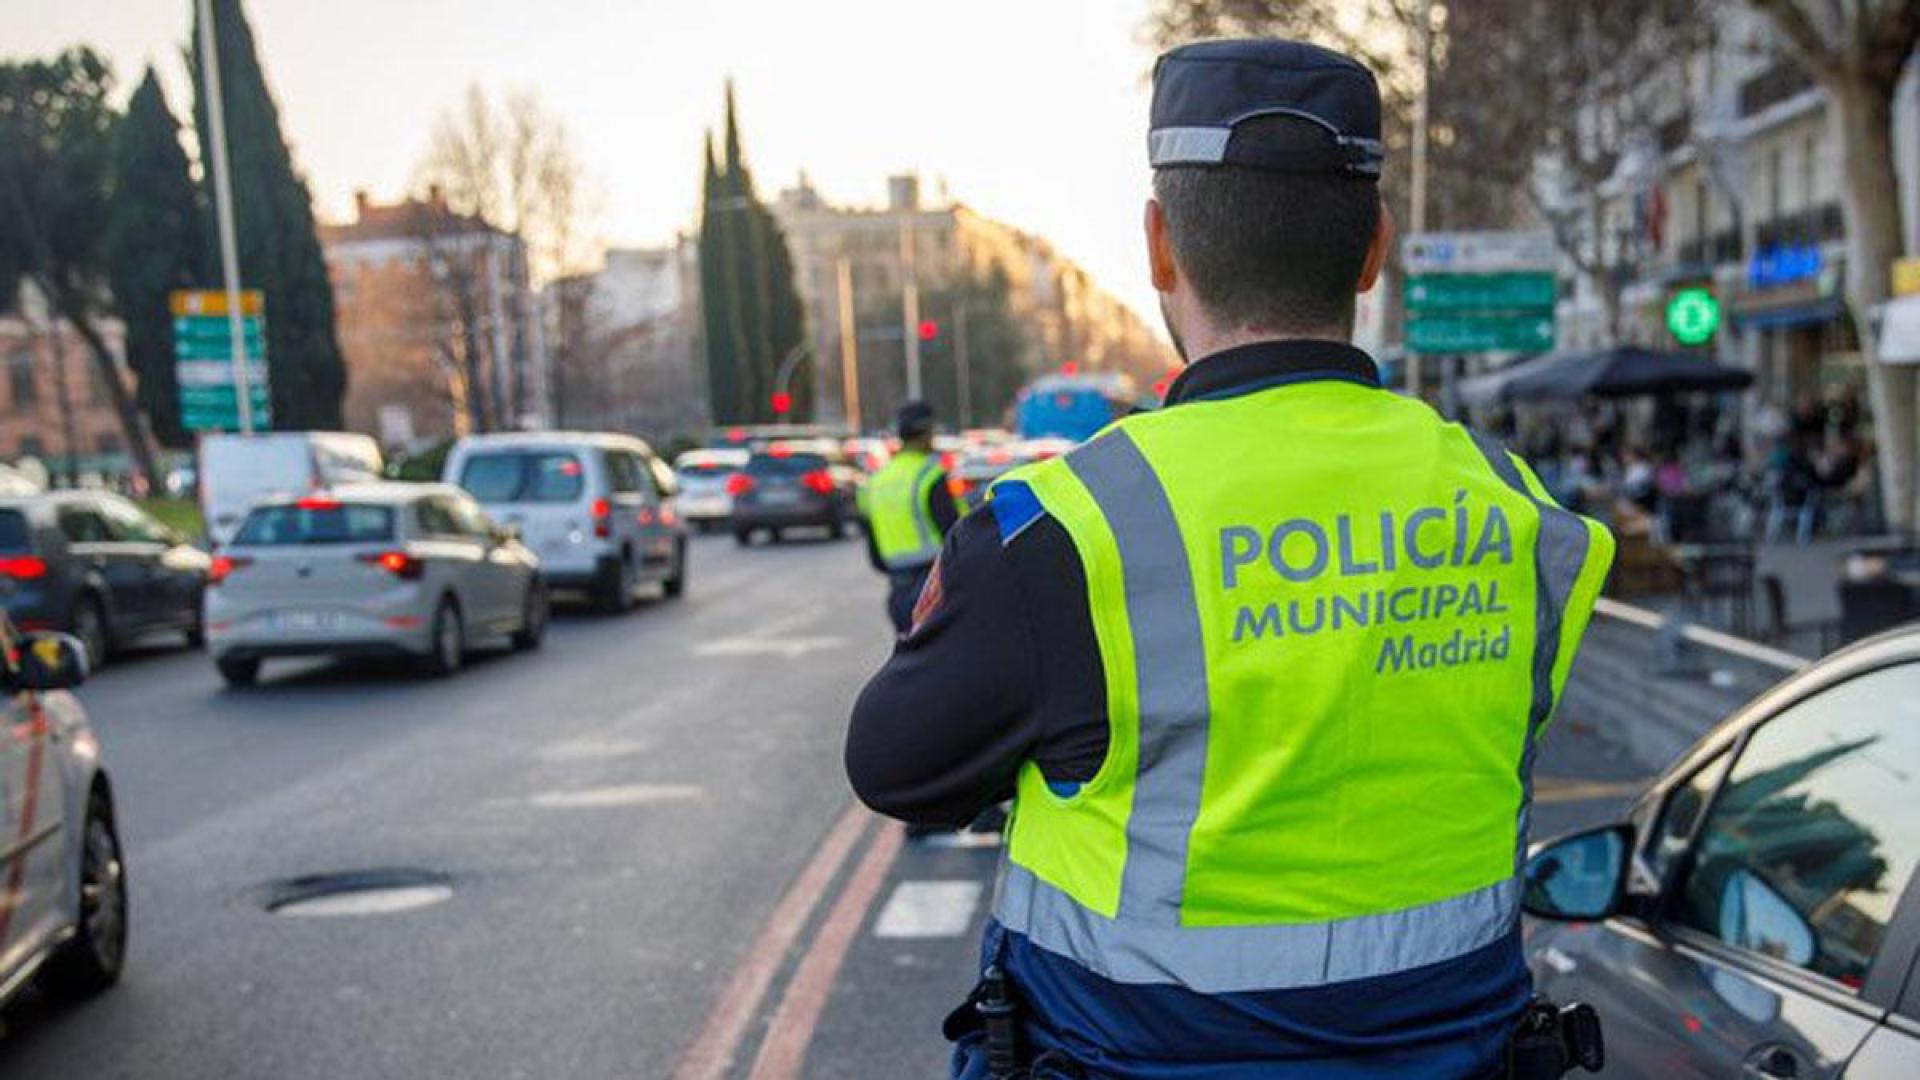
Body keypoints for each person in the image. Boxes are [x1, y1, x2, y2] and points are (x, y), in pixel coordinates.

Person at [845, 38, 1616, 1079]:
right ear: (1374, 249)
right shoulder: (1518, 511)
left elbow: (897, 768)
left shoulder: (1062, 530)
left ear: (1160, 247)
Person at [857, 400, 960, 633]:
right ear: (926, 432)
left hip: (898, 592)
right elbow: (954, 534)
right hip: (934, 590)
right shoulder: (929, 475)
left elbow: (874, 550)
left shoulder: (876, 481)